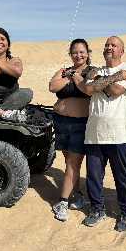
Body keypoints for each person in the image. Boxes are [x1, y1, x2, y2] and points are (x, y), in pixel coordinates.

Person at [79, 36, 126, 232]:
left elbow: (115, 91)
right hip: (95, 134)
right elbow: (89, 89)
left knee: (122, 177)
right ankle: (97, 209)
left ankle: (125, 213)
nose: (109, 47)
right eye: (106, 45)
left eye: (114, 45)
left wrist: (101, 80)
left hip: (119, 134)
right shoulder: (96, 71)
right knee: (94, 176)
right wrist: (113, 77)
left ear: (122, 51)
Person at [48, 39, 96, 221]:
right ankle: (78, 194)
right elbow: (53, 86)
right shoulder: (63, 71)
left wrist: (75, 75)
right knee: (69, 161)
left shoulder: (92, 71)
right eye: (75, 52)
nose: (78, 55)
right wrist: (68, 76)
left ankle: (63, 202)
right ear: (70, 54)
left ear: (88, 53)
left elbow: (88, 89)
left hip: (80, 124)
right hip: (61, 122)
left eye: (82, 52)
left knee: (73, 163)